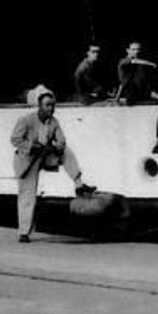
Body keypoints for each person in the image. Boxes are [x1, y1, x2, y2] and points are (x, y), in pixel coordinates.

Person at [9, 86, 96, 243]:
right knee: (27, 195)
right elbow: (15, 139)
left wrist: (55, 147)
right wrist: (31, 146)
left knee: (66, 152)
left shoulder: (54, 122)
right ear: (40, 106)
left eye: (53, 105)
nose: (51, 108)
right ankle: (24, 232)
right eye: (48, 105)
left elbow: (62, 142)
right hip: (26, 160)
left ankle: (78, 184)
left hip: (44, 156)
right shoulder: (26, 120)